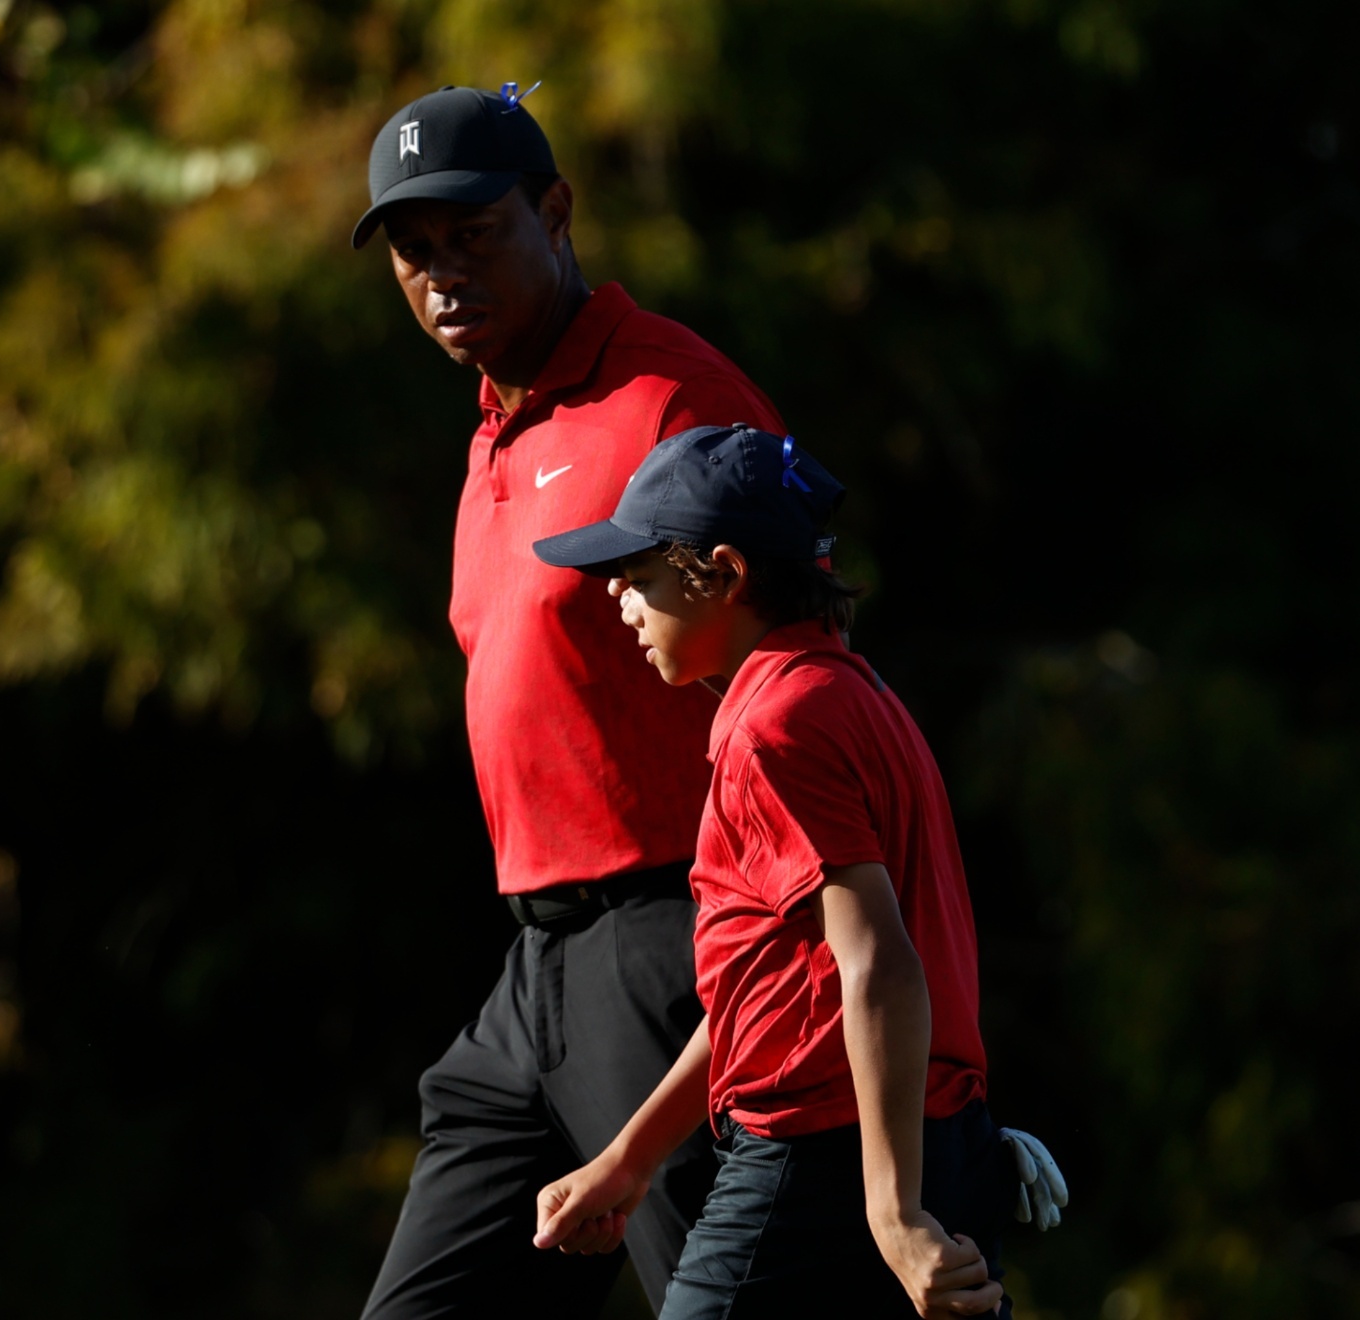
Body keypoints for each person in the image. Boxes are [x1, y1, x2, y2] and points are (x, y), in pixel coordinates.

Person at [351, 84, 789, 1318]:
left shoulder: (669, 405)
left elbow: (799, 670)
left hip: (674, 945)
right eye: (414, 253)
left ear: (555, 212)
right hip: (534, 968)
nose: (444, 277)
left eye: (474, 236)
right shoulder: (494, 431)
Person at [527, 424, 1066, 1318]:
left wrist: (893, 1215)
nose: (616, 593)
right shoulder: (852, 694)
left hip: (818, 1162)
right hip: (927, 1142)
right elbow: (767, 997)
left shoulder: (776, 728)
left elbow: (880, 965)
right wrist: (629, 1161)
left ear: (727, 574)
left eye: (643, 573)